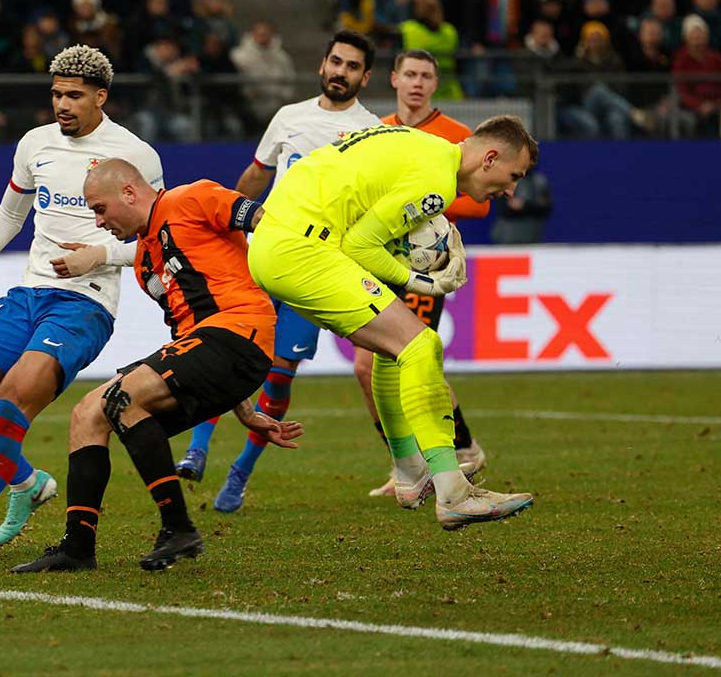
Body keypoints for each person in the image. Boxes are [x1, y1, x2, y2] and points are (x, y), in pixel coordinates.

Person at [0, 45, 164, 559]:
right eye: (56, 94)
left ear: (101, 97)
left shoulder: (135, 154)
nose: (62, 104)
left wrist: (99, 255)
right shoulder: (35, 145)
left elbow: (160, 233)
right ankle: (25, 482)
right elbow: (9, 215)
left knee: (11, 399)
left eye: (74, 95)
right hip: (28, 294)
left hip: (85, 304)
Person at [10, 159, 302, 573]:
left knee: (121, 397)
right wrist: (247, 410)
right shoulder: (145, 260)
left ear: (129, 192)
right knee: (87, 413)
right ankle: (77, 547)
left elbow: (265, 221)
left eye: (100, 208)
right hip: (215, 349)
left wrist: (305, 275)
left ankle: (178, 528)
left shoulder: (193, 197)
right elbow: (190, 348)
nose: (99, 222)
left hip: (242, 329)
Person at [247, 115, 537, 530]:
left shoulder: (422, 147)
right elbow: (361, 244)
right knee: (423, 345)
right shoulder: (436, 181)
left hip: (278, 245)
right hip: (303, 247)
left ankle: (409, 470)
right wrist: (425, 281)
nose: (510, 190)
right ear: (489, 157)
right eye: (513, 176)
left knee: (392, 350)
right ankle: (454, 491)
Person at [174, 30, 379, 513]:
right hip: (265, 253)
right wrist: (226, 218)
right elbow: (257, 175)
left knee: (279, 376)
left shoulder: (371, 131)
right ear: (321, 65)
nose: (340, 72)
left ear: (365, 77)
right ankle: (197, 449)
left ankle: (241, 471)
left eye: (351, 66)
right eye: (335, 62)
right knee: (225, 347)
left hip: (317, 266)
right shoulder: (289, 117)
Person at [360, 49, 490, 498]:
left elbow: (480, 200)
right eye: (409, 74)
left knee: (398, 357)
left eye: (425, 76)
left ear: (435, 84)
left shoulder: (455, 136)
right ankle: (425, 459)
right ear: (393, 79)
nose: (416, 82)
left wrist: (419, 202)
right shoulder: (378, 131)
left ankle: (439, 457)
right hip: (380, 258)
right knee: (373, 366)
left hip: (424, 264)